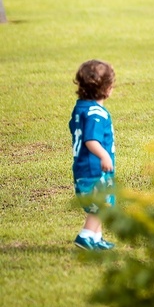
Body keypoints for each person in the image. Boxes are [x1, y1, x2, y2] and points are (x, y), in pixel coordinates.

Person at [69, 59, 117, 250]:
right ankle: (86, 235)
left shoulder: (80, 108)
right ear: (107, 88)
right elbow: (91, 140)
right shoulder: (97, 113)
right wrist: (104, 156)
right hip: (94, 168)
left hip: (82, 167)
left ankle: (96, 238)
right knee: (101, 204)